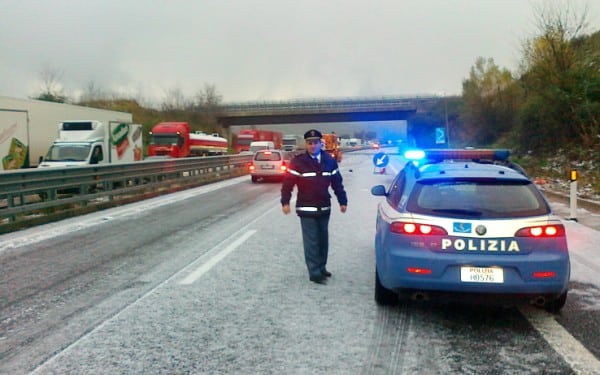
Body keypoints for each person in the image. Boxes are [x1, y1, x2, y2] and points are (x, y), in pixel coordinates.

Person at [281, 129, 348, 284]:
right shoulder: (298, 162)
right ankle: (314, 272)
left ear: (320, 143)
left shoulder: (329, 161)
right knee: (311, 241)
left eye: (315, 143)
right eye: (310, 143)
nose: (313, 146)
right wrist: (285, 202)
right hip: (306, 207)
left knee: (323, 239)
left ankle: (322, 267)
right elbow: (288, 184)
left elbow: (337, 182)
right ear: (306, 144)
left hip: (324, 206)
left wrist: (342, 201)